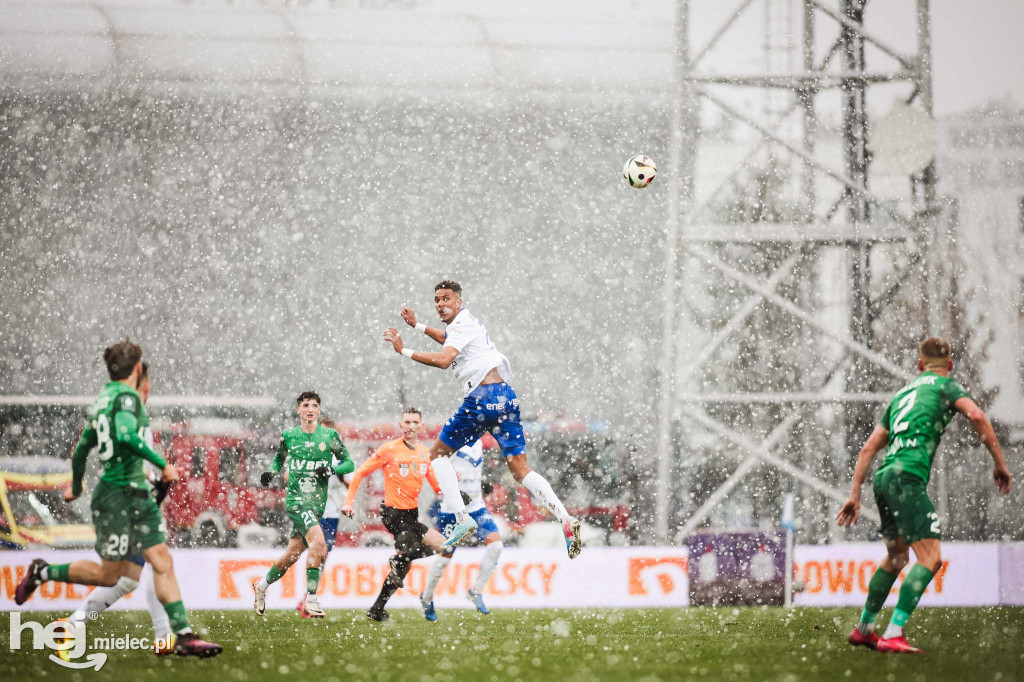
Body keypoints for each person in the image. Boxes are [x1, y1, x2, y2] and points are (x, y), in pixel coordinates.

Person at [15, 341, 222, 657]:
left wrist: (77, 484)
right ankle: (51, 584)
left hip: (134, 498)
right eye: (148, 382)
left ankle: (174, 635)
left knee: (149, 566)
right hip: (121, 498)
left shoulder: (104, 401)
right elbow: (124, 441)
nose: (150, 390)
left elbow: (84, 446)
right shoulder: (127, 404)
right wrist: (164, 467)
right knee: (121, 575)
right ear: (138, 373)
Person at [382, 280, 581, 558]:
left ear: (458, 302)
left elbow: (443, 359)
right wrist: (417, 326)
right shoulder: (465, 324)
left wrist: (402, 350)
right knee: (521, 470)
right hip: (506, 398)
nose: (440, 304)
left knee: (437, 455)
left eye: (446, 299)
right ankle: (566, 520)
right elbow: (447, 338)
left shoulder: (461, 324)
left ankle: (462, 518)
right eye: (436, 300)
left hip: (481, 398)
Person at [837, 337, 1011, 654]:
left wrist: (854, 495)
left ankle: (864, 629)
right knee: (930, 558)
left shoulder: (902, 395)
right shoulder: (946, 387)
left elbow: (867, 448)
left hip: (884, 478)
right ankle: (893, 632)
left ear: (919, 366)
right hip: (907, 476)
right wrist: (999, 463)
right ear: (950, 366)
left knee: (897, 557)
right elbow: (977, 416)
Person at [61, 362, 176, 655]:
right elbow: (128, 460)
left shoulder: (122, 410)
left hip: (132, 499)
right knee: (147, 569)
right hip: (130, 500)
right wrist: (157, 477)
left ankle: (75, 624)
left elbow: (92, 450)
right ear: (143, 387)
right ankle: (164, 635)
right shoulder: (131, 415)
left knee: (134, 576)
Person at [340, 407, 449, 622]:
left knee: (423, 557)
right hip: (393, 515)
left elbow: (437, 487)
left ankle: (377, 609)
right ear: (401, 425)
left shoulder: (423, 453)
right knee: (435, 549)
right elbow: (361, 471)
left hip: (411, 516)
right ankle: (400, 560)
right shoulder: (389, 449)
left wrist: (455, 493)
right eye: (407, 422)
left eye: (414, 422)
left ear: (420, 425)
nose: (410, 426)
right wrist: (348, 502)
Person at [254, 392, 354, 618]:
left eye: (314, 405)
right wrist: (271, 473)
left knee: (291, 555)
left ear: (319, 410)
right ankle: (311, 600)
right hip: (297, 501)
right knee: (319, 543)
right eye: (306, 405)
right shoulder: (289, 435)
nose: (310, 409)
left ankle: (261, 586)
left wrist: (332, 469)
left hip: (317, 504)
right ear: (298, 410)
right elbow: (279, 459)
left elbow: (349, 463)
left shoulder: (329, 436)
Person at [420, 438, 503, 620]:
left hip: (476, 507)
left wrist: (482, 484)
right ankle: (427, 596)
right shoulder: (452, 441)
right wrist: (450, 481)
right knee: (444, 558)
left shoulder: (479, 443)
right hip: (453, 510)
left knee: (496, 547)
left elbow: (471, 470)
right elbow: (433, 465)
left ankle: (475, 591)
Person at [296, 416, 348, 618]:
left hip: (331, 514)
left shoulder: (338, 458)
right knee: (317, 551)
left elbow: (351, 482)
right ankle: (307, 600)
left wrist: (339, 474)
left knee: (323, 557)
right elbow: (288, 475)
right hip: (310, 511)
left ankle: (306, 599)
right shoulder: (307, 452)